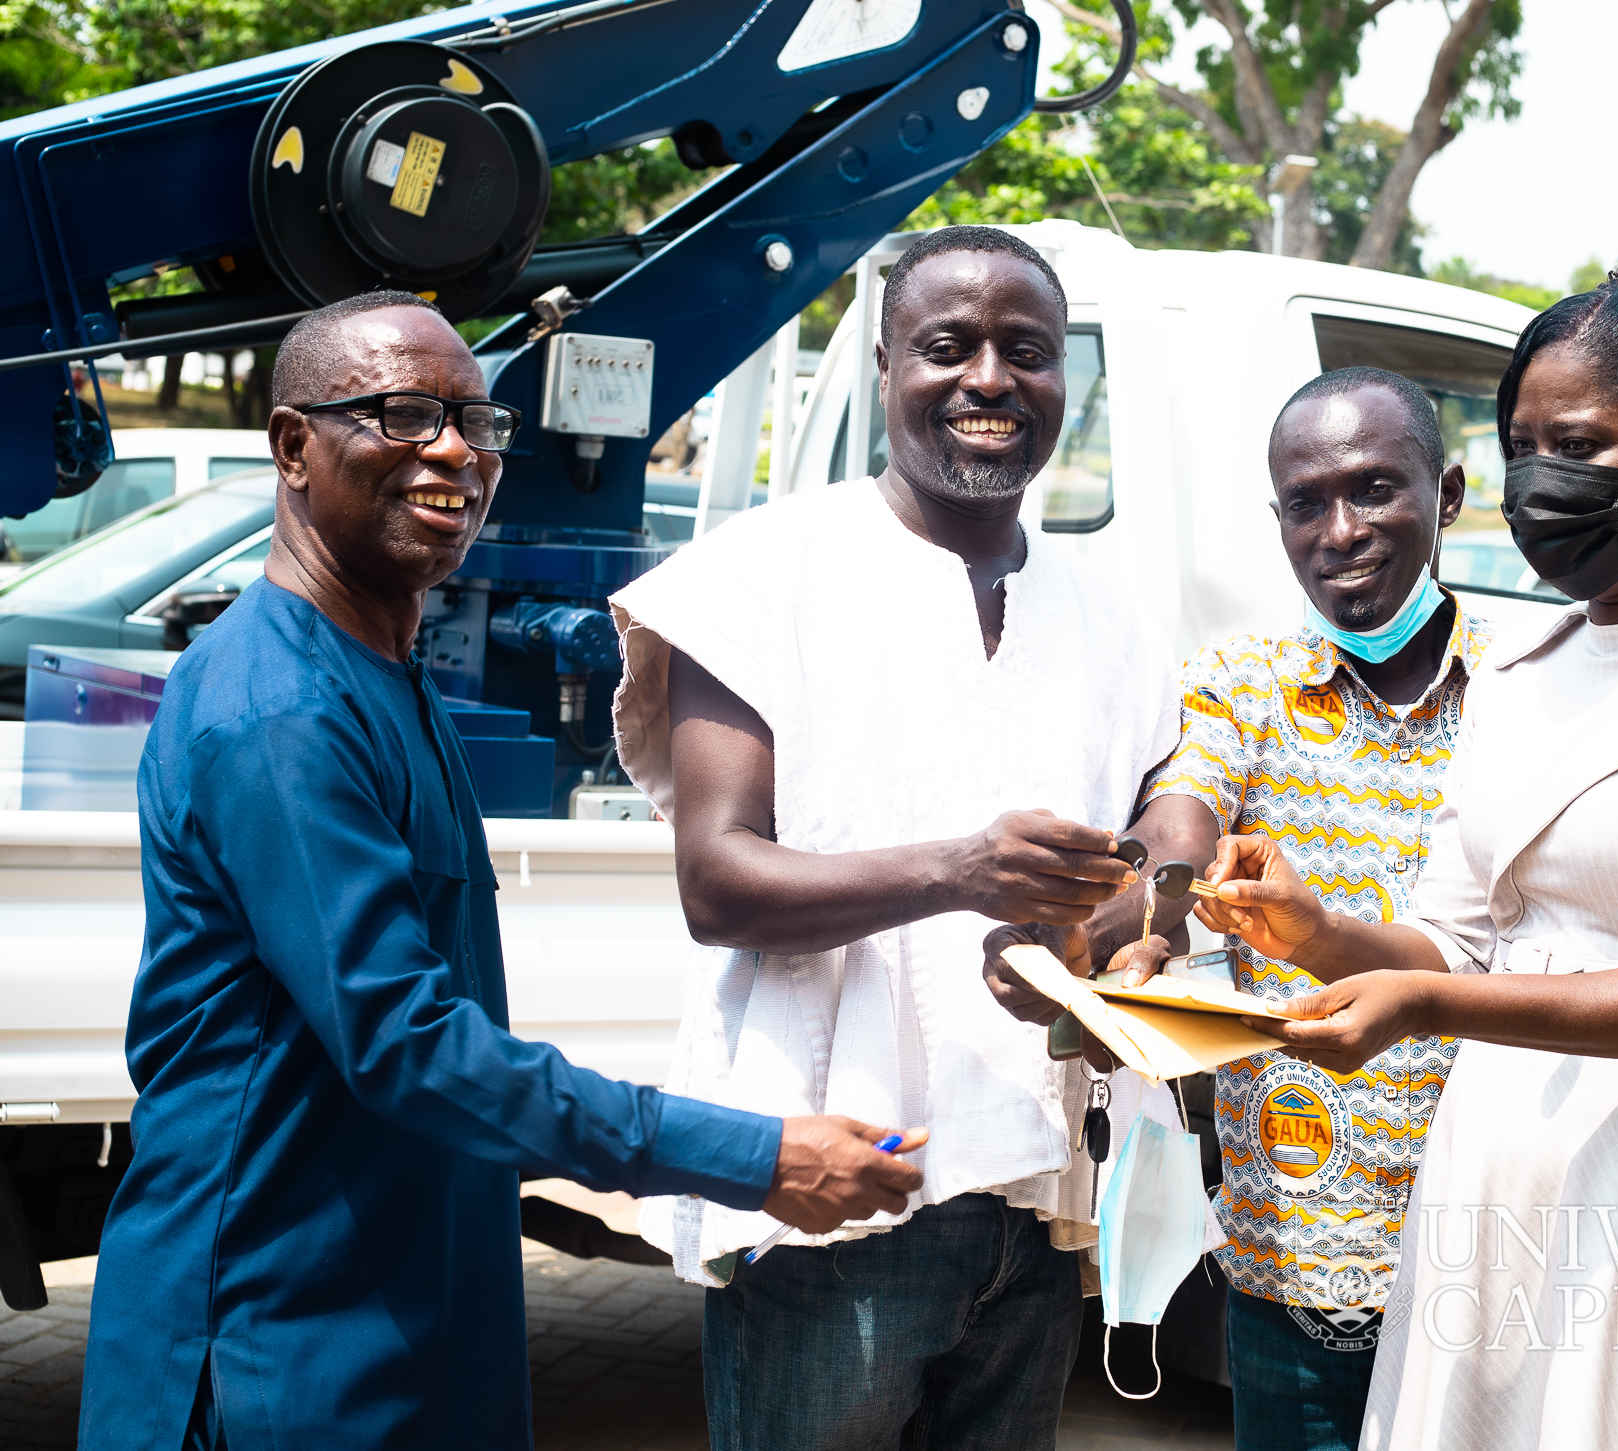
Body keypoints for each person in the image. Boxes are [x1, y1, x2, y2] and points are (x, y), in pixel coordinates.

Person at [76, 292, 922, 1451]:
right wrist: (755, 1154)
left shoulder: (384, 668)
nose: (455, 450)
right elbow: (409, 1043)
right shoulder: (277, 708)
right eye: (403, 413)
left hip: (410, 1317)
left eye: (477, 420)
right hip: (276, 1343)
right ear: (291, 447)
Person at [1191, 246, 1618, 1450]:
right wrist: (1318, 932)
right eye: (1521, 445)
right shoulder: (1522, 662)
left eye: (1576, 446)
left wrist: (1425, 1001)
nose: (1536, 479)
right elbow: (1451, 933)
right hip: (1493, 1168)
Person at [607, 227, 1178, 1450]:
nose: (988, 379)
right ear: (883, 367)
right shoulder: (761, 576)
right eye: (947, 347)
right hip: (834, 1183)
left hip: (1032, 1187)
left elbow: (1164, 809)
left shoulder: (1106, 609)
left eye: (1025, 351)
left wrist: (1130, 910)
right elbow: (718, 879)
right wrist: (959, 870)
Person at [982, 366, 1491, 1450]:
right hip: (1293, 1249)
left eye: (1374, 490)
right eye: (1306, 503)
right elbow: (1181, 819)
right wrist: (1136, 925)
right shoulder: (1243, 680)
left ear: (1445, 495)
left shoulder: (1521, 695)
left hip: (1491, 1242)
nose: (1340, 530)